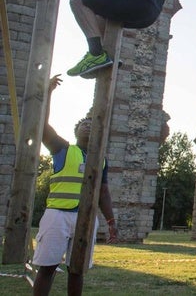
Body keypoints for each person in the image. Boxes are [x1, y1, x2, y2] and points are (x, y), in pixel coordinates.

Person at [33, 75, 118, 296]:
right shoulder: (63, 149)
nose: (88, 126)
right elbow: (42, 126)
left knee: (77, 269)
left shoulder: (101, 159)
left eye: (91, 123)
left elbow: (104, 193)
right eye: (83, 124)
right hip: (58, 215)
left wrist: (110, 220)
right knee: (48, 268)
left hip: (86, 218)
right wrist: (48, 93)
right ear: (76, 131)